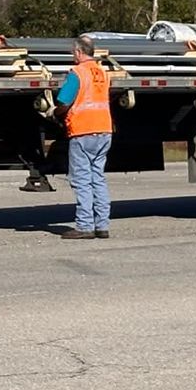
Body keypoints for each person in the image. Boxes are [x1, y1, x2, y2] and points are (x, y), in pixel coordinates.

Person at [53, 35, 113, 239]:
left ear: (78, 52)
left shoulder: (77, 73)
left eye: (73, 52)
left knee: (82, 180)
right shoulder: (103, 73)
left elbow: (64, 101)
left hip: (83, 131)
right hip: (104, 130)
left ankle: (85, 225)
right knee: (98, 178)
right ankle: (102, 225)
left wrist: (54, 113)